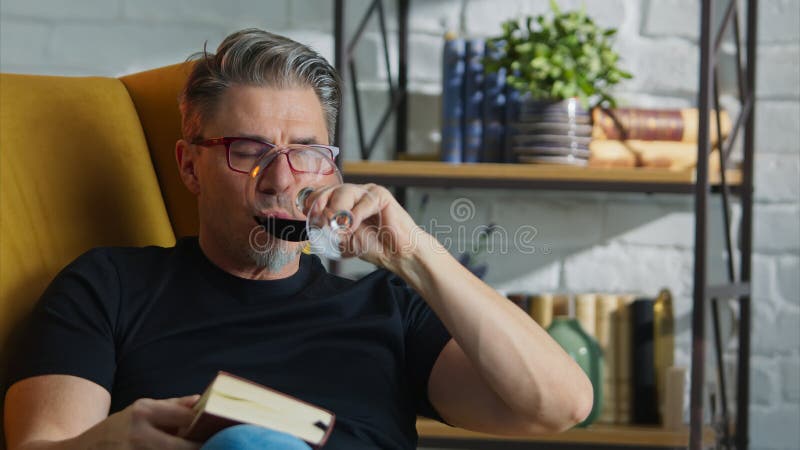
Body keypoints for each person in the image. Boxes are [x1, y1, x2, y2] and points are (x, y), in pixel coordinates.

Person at [3, 29, 592, 450]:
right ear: (189, 167)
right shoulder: (108, 287)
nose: (282, 181)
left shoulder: (387, 311)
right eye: (249, 152)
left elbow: (559, 408)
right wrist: (107, 444)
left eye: (305, 153)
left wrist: (413, 252)